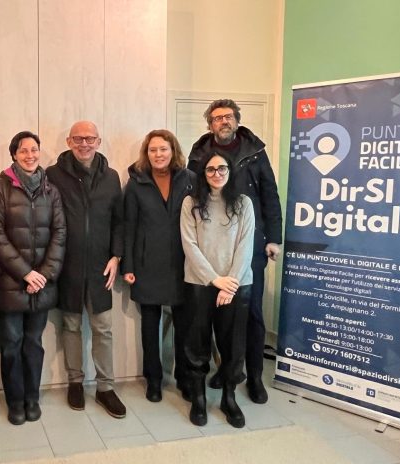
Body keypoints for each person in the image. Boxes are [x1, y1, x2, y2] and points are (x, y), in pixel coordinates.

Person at [187, 99, 282, 404]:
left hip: (248, 245)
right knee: (216, 316)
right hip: (211, 249)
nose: (223, 122)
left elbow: (270, 193)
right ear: (210, 125)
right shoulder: (198, 153)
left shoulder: (255, 151)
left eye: (228, 116)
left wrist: (273, 238)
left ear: (237, 121)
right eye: (217, 118)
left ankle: (253, 377)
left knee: (249, 315)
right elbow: (192, 194)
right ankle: (226, 370)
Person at [46, 121, 126, 418]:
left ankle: (105, 387)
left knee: (103, 327)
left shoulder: (111, 176)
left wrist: (117, 256)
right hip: (66, 265)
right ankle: (75, 382)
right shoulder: (53, 175)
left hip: (100, 266)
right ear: (69, 141)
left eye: (90, 138)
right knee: (70, 325)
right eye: (78, 139)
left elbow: (119, 221)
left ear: (98, 141)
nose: (84, 144)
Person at [0, 131, 66, 425]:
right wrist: (26, 273)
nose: (30, 155)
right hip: (11, 283)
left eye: (34, 150)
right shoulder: (1, 188)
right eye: (23, 151)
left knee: (34, 343)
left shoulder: (51, 190)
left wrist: (43, 275)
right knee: (11, 345)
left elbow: (60, 233)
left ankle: (32, 398)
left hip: (41, 284)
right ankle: (15, 401)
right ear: (14, 155)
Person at [181, 150, 255, 428]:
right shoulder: (191, 203)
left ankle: (229, 398)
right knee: (197, 343)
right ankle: (199, 398)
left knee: (233, 345)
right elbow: (189, 245)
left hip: (236, 284)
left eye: (222, 168)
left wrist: (230, 282)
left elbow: (246, 245)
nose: (217, 174)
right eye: (210, 169)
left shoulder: (244, 203)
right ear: (203, 174)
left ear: (230, 170)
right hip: (200, 283)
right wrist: (214, 280)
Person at [122, 129, 194, 402]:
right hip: (147, 265)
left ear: (173, 151)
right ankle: (153, 379)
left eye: (163, 149)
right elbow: (129, 227)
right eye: (153, 150)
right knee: (150, 328)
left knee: (184, 327)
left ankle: (185, 378)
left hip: (183, 265)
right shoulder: (136, 184)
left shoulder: (190, 180)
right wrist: (129, 265)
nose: (158, 154)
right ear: (146, 153)